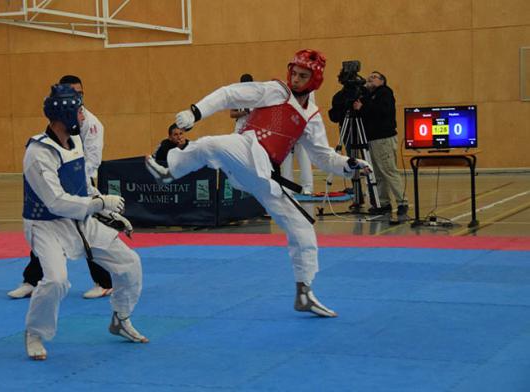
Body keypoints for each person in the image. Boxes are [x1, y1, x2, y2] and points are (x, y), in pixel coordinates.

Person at [145, 49, 372, 318]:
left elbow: (322, 156)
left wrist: (348, 165)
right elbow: (230, 94)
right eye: (294, 73)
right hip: (246, 148)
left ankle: (304, 292)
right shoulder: (276, 90)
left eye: (303, 76)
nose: (296, 79)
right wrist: (196, 112)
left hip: (263, 175)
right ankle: (169, 173)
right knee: (211, 144)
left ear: (314, 80)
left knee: (303, 231)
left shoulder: (312, 117)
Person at [23, 84, 148, 360]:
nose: (83, 117)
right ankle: (35, 333)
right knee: (56, 281)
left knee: (129, 264)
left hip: (81, 218)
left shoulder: (75, 141)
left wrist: (107, 212)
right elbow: (55, 201)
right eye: (79, 111)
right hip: (46, 225)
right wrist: (99, 204)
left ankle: (121, 319)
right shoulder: (38, 153)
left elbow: (82, 185)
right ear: (65, 115)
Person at [8, 75, 114, 300]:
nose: (76, 97)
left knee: (86, 234)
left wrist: (82, 188)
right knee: (45, 229)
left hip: (81, 181)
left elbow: (92, 157)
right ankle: (33, 279)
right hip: (61, 181)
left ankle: (104, 281)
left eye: (79, 93)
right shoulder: (61, 119)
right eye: (71, 92)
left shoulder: (90, 122)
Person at [353, 71, 408, 216]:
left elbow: (382, 111)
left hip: (383, 138)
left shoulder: (385, 93)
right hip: (371, 138)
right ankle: (383, 203)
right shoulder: (367, 96)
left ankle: (402, 201)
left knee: (388, 170)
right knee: (376, 173)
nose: (370, 79)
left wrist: (363, 107)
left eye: (374, 77)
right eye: (369, 77)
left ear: (383, 81)